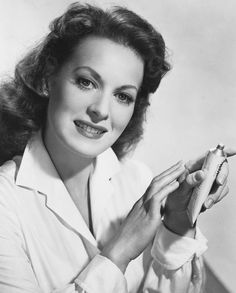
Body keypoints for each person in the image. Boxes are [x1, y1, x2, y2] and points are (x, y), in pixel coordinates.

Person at [0, 2, 233, 293]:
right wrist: (118, 253)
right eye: (86, 82)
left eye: (123, 96)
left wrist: (178, 222)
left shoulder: (137, 180)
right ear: (48, 78)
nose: (101, 110)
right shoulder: (4, 202)